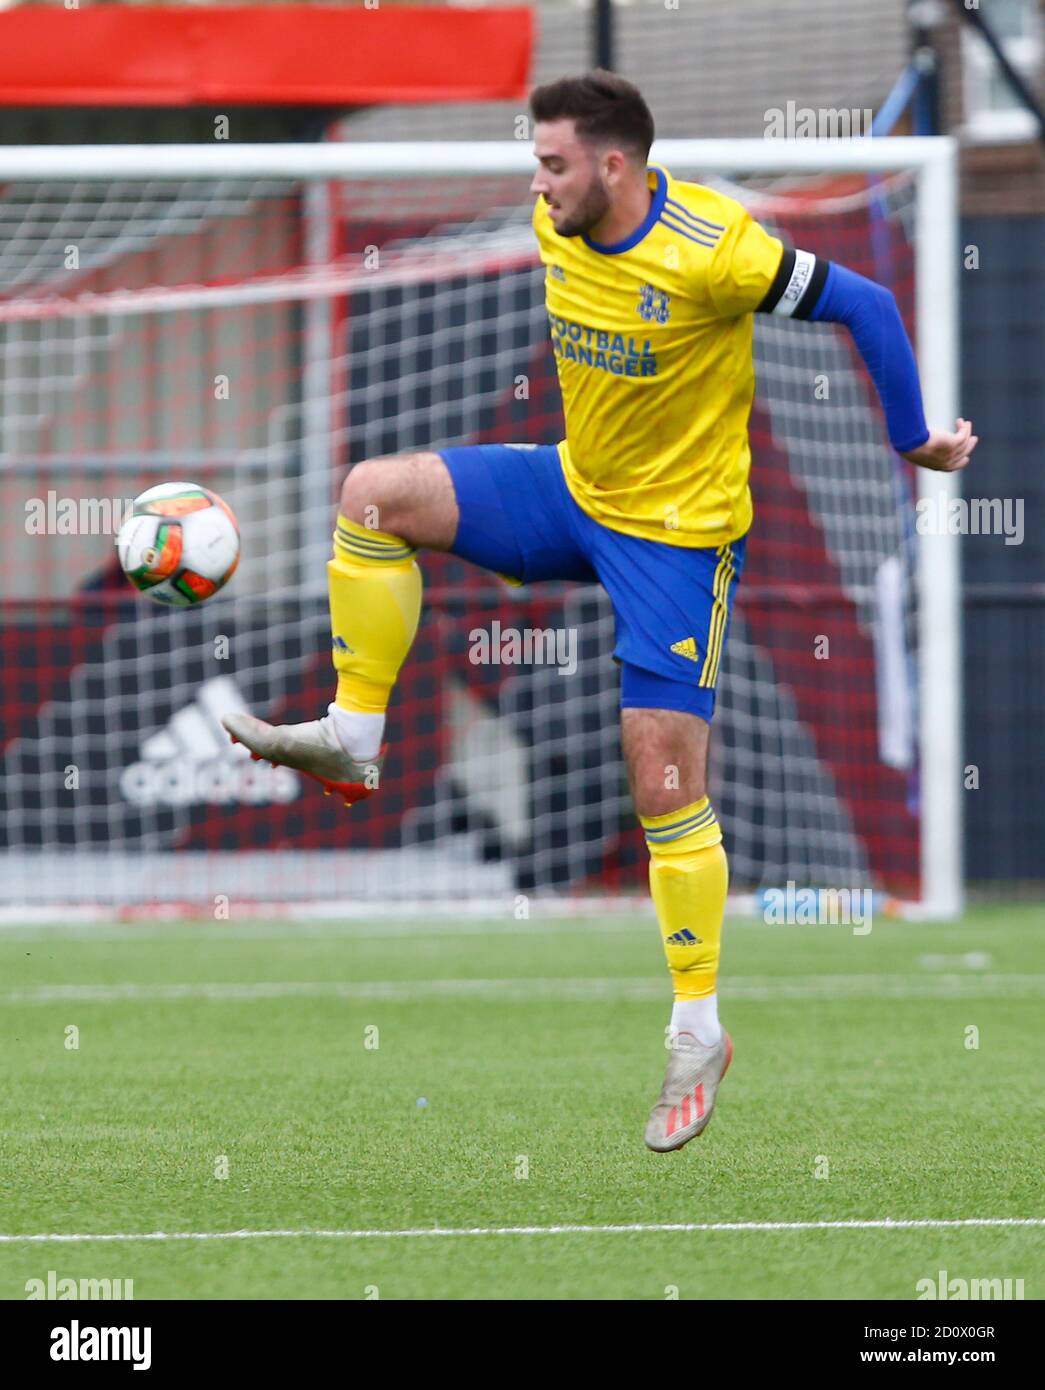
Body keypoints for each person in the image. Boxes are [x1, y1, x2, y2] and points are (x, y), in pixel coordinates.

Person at [224, 71, 977, 1153]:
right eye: (536, 160)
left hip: (677, 539)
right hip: (573, 491)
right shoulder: (551, 220)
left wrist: (912, 438)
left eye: (553, 161)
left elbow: (866, 303)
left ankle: (696, 1029)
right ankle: (353, 734)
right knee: (371, 497)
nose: (536, 181)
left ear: (613, 165)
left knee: (661, 777)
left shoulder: (718, 247)